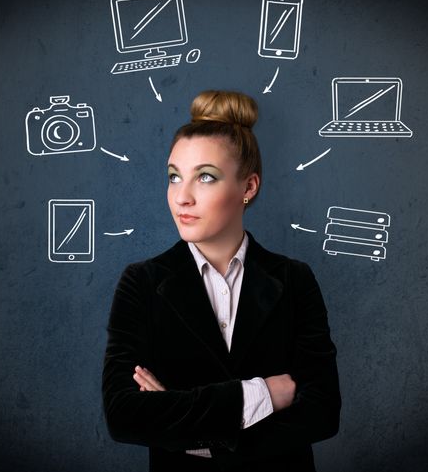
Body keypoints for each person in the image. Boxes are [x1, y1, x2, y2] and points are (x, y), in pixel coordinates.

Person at [102, 90, 341, 472]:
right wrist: (261, 393)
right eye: (174, 177)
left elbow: (323, 411)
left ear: (248, 188)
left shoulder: (294, 280)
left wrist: (194, 434)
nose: (182, 197)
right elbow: (124, 415)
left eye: (206, 177)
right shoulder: (142, 283)